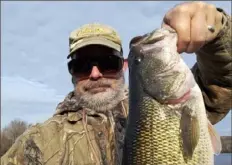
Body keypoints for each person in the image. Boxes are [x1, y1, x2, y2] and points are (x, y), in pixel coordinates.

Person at [1, 1, 231, 165]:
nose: (94, 73)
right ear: (71, 74)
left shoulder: (172, 104)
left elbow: (221, 81)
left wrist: (218, 32)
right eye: (81, 65)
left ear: (123, 66)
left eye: (106, 62)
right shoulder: (38, 143)